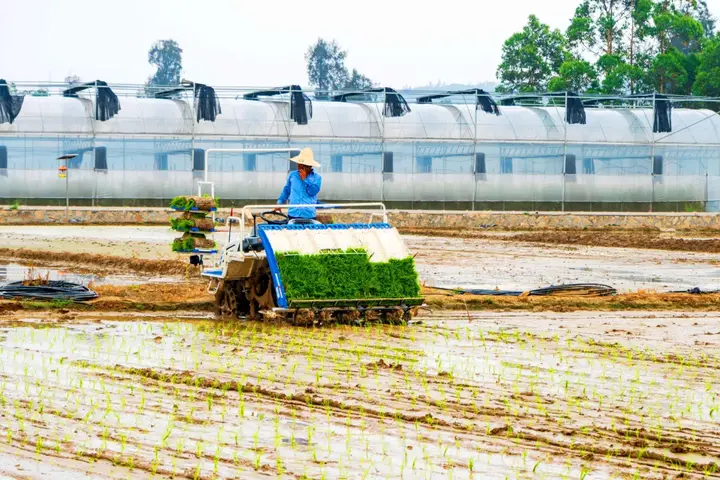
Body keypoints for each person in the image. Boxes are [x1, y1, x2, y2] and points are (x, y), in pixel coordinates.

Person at [275, 148, 322, 220]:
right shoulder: (293, 175)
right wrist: (279, 203)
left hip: (309, 215)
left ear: (309, 166)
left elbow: (313, 192)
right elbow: (286, 190)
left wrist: (305, 179)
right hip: (293, 213)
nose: (299, 167)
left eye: (303, 165)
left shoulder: (317, 178)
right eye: (299, 164)